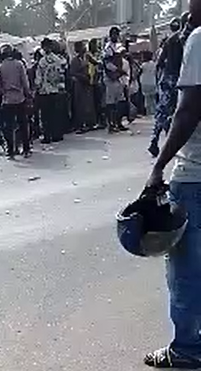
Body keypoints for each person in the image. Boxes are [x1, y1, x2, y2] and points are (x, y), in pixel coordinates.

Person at [143, 1, 201, 367]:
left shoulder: (200, 38)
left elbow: (189, 110)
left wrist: (158, 166)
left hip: (195, 175)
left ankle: (186, 351)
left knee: (185, 270)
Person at [149, 17, 187, 157]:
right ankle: (172, 143)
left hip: (166, 79)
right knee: (179, 112)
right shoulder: (185, 38)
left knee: (162, 111)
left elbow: (159, 62)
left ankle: (155, 139)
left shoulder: (169, 41)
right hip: (180, 80)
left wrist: (159, 81)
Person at [0, 44, 32, 159]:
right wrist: (28, 95)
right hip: (20, 99)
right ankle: (26, 149)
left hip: (7, 100)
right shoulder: (19, 65)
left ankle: (11, 151)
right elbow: (25, 83)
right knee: (23, 124)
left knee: (8, 127)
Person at [36, 38, 66, 143]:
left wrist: (37, 88)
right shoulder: (58, 60)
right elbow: (61, 75)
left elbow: (38, 78)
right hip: (56, 91)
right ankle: (57, 135)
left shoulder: (42, 61)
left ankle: (47, 136)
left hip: (45, 92)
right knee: (56, 114)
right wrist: (62, 88)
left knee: (46, 116)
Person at [103, 27, 129, 133]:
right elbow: (107, 63)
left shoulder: (117, 46)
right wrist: (118, 70)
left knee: (120, 101)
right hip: (111, 78)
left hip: (118, 77)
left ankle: (118, 122)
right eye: (114, 34)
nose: (116, 36)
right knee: (111, 103)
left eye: (117, 34)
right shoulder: (108, 47)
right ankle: (111, 124)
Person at [70, 41, 94, 133]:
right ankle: (80, 125)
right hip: (79, 85)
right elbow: (72, 73)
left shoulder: (86, 58)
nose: (85, 48)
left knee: (88, 104)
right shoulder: (75, 60)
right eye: (83, 47)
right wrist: (82, 76)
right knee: (80, 104)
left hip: (87, 84)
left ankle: (88, 123)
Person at [140, 50, 157, 117]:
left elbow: (139, 72)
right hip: (153, 82)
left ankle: (148, 112)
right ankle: (154, 112)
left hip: (144, 82)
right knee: (153, 99)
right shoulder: (154, 64)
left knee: (147, 99)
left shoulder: (143, 65)